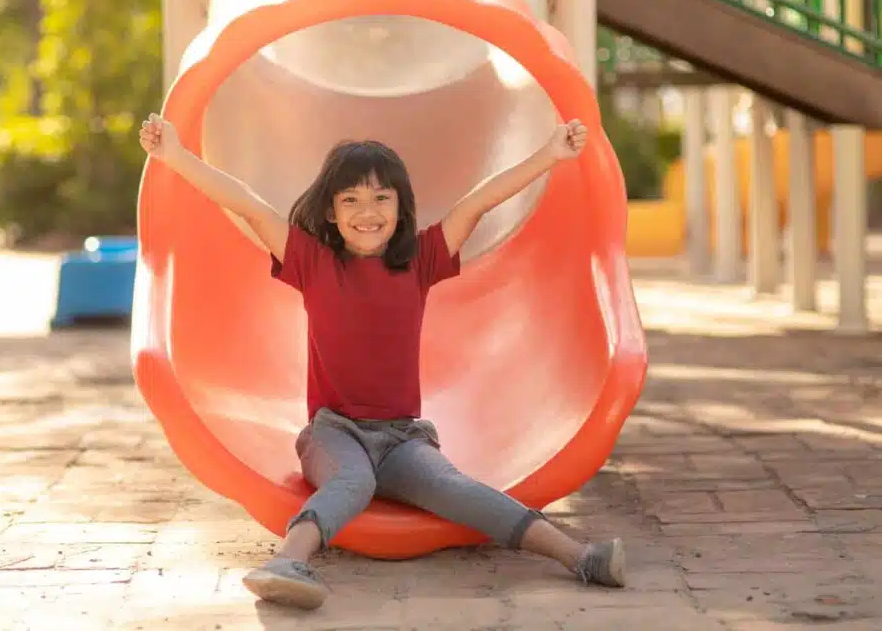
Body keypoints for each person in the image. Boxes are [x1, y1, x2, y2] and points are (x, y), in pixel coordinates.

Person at [139, 113, 626, 610]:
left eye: (380, 198)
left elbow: (478, 202)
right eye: (349, 199)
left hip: (402, 437)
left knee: (454, 486)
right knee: (355, 480)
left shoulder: (420, 261)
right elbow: (247, 205)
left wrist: (550, 154)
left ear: (400, 208)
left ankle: (580, 557)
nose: (365, 211)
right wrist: (175, 156)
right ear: (330, 212)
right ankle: (286, 562)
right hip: (333, 432)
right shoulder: (313, 262)